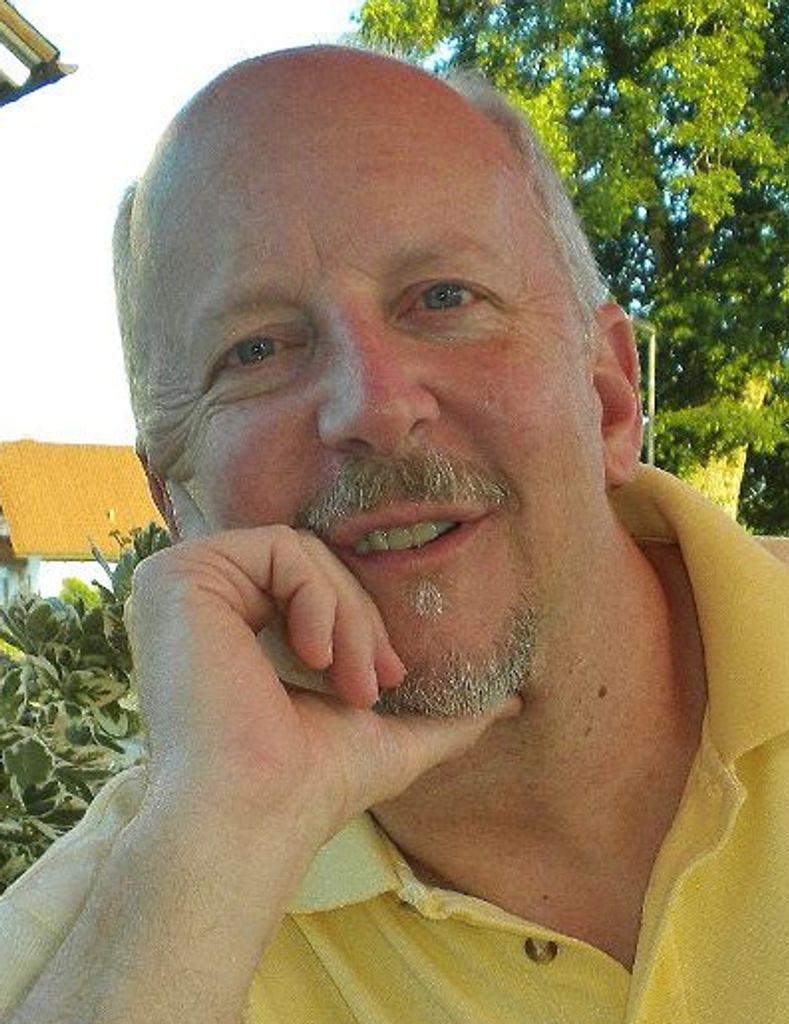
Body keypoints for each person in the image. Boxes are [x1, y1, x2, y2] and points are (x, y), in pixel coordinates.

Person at [1, 44, 788, 1024]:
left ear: (610, 399)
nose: (371, 406)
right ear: (182, 506)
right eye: (256, 349)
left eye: (444, 298)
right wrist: (226, 833)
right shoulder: (104, 930)